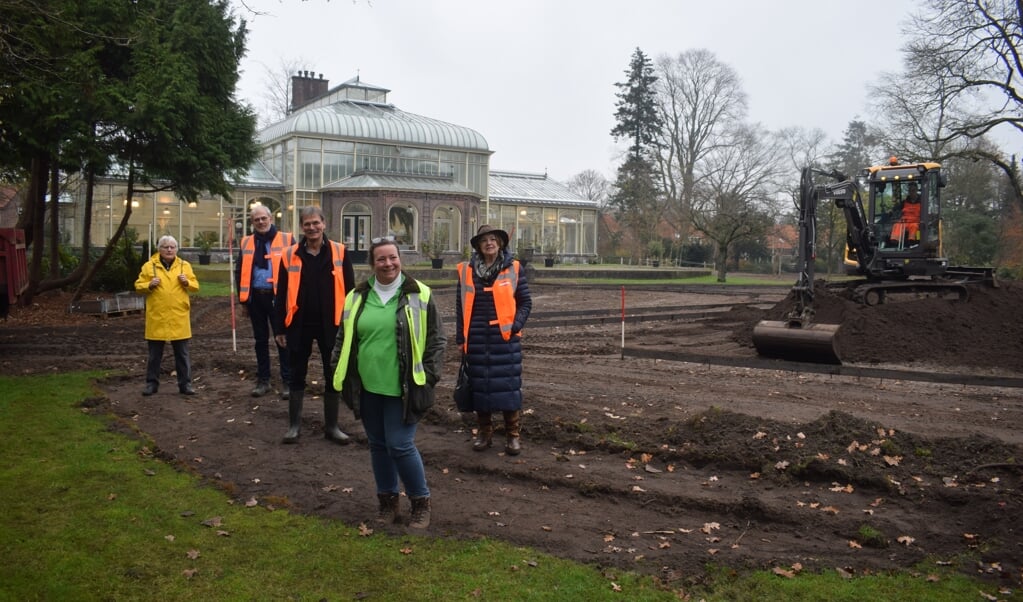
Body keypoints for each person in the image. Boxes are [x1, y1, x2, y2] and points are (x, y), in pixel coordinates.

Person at [331, 237, 445, 529]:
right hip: (367, 387)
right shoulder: (356, 296)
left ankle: (421, 502)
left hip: (405, 388)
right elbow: (344, 339)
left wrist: (430, 375)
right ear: (372, 264)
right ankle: (387, 502)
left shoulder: (419, 294)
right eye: (381, 259)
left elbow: (436, 340)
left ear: (400, 259)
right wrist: (337, 370)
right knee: (378, 446)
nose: (388, 264)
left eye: (392, 257)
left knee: (400, 445)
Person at [273, 206, 355, 444]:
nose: (312, 228)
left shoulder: (340, 252)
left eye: (315, 223)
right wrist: (279, 328)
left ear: (324, 224)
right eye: (307, 224)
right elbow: (280, 294)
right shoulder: (290, 255)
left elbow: (350, 292)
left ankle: (332, 427)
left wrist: (350, 324)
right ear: (302, 227)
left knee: (333, 373)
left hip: (333, 324)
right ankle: (294, 426)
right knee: (297, 372)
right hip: (299, 324)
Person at [456, 225, 532, 455]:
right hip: (476, 337)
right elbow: (460, 306)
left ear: (500, 243)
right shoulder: (465, 270)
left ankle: (512, 436)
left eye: (493, 239)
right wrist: (461, 337)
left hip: (504, 339)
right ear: (478, 246)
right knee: (480, 388)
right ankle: (485, 433)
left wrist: (514, 326)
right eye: (484, 240)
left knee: (508, 388)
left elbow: (525, 302)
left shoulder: (514, 268)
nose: (489, 243)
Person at [235, 204, 295, 399]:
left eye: (263, 218)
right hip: (256, 298)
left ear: (271, 218)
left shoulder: (287, 239)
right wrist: (243, 301)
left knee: (283, 339)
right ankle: (263, 380)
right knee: (260, 340)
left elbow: (295, 270)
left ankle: (288, 381)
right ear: (252, 222)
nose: (260, 222)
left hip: (279, 299)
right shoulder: (246, 242)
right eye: (256, 220)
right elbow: (240, 272)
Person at [134, 235, 200, 396]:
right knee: (155, 355)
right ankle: (151, 384)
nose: (169, 249)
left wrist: (187, 283)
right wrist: (149, 284)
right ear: (159, 249)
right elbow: (138, 286)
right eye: (165, 247)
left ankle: (185, 385)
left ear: (177, 249)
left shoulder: (185, 266)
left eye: (172, 247)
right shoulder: (149, 267)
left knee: (182, 354)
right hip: (158, 316)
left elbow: (196, 286)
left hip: (179, 316)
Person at [889, 182, 922, 246]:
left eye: (913, 190)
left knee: (914, 226)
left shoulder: (922, 201)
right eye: (910, 191)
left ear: (916, 190)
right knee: (897, 225)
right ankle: (895, 240)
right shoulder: (905, 202)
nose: (911, 192)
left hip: (916, 222)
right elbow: (897, 207)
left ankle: (912, 241)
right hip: (905, 222)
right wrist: (891, 210)